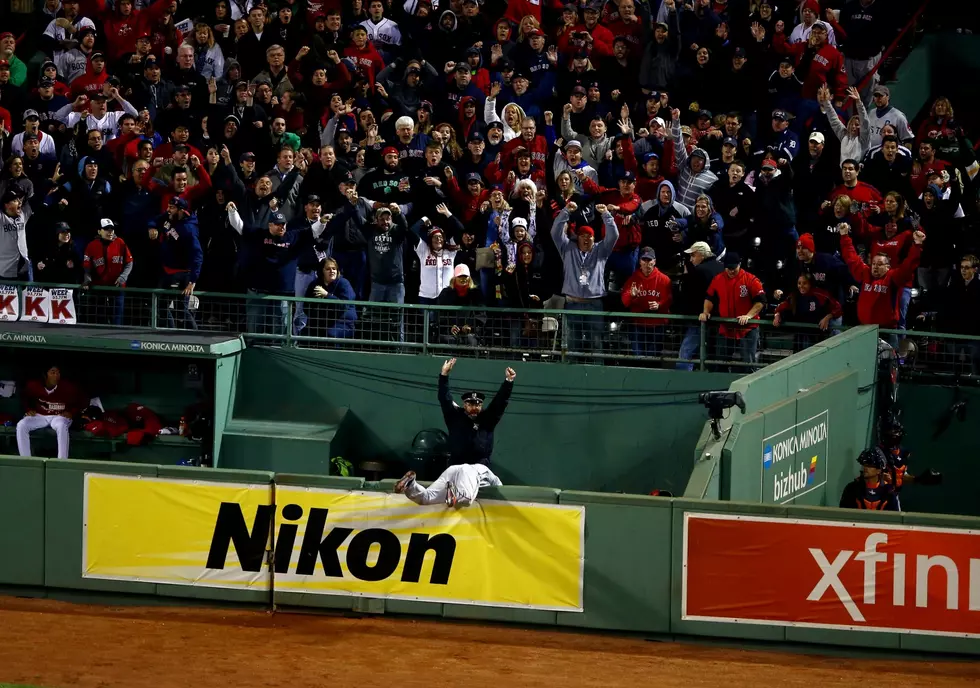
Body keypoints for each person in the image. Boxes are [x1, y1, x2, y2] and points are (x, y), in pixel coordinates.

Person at [394, 357, 514, 507]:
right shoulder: (455, 416)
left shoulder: (487, 419)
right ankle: (411, 485)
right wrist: (443, 375)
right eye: (470, 403)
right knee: (428, 498)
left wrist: (508, 382)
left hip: (477, 470)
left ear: (482, 405)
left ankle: (449, 493)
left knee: (441, 491)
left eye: (478, 404)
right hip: (458, 468)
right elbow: (444, 398)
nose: (474, 407)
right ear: (464, 404)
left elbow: (499, 403)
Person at [839, 224, 924, 349]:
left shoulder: (893, 277)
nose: (875, 267)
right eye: (873, 263)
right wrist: (844, 236)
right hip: (865, 330)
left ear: (888, 266)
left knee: (889, 365)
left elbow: (908, 266)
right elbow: (851, 258)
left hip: (887, 332)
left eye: (879, 264)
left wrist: (917, 245)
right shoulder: (865, 273)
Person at [550, 201, 619, 353]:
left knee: (596, 346)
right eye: (582, 236)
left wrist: (606, 215)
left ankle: (597, 374)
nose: (586, 239)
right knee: (571, 346)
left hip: (594, 305)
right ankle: (570, 376)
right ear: (577, 238)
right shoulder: (567, 249)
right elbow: (555, 232)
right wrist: (566, 212)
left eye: (589, 236)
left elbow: (614, 235)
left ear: (594, 239)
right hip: (572, 304)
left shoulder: (601, 251)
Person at [700, 251, 766, 368]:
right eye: (728, 268)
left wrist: (748, 316)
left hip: (747, 329)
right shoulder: (718, 279)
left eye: (733, 268)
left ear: (739, 264)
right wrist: (706, 311)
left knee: (748, 364)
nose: (731, 271)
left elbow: (760, 301)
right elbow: (709, 297)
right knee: (720, 364)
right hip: (726, 328)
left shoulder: (750, 279)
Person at [17, 365, 84, 460]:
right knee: (21, 425)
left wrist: (72, 413)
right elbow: (24, 398)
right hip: (41, 416)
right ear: (45, 375)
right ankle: (26, 460)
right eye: (53, 373)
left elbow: (81, 401)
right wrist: (28, 410)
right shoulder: (34, 386)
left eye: (58, 373)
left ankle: (62, 461)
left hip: (59, 416)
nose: (56, 375)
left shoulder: (68, 387)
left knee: (61, 426)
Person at [621, 246, 672, 358]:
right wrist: (632, 295)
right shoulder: (633, 279)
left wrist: (659, 304)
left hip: (657, 324)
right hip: (638, 323)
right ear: (640, 261)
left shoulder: (664, 279)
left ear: (654, 261)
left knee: (653, 357)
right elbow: (625, 301)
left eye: (650, 260)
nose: (647, 263)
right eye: (644, 260)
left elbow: (669, 299)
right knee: (638, 356)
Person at [303, 258, 357, 339]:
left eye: (334, 269)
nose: (332, 271)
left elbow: (343, 306)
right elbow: (306, 306)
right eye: (328, 269)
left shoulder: (344, 283)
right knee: (304, 333)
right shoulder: (314, 284)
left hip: (342, 323)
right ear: (322, 271)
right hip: (321, 322)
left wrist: (327, 295)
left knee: (330, 335)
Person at [838, 447, 900, 511]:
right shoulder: (852, 488)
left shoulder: (889, 491)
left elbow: (894, 516)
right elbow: (843, 513)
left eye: (870, 466)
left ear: (879, 470)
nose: (865, 468)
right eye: (864, 465)